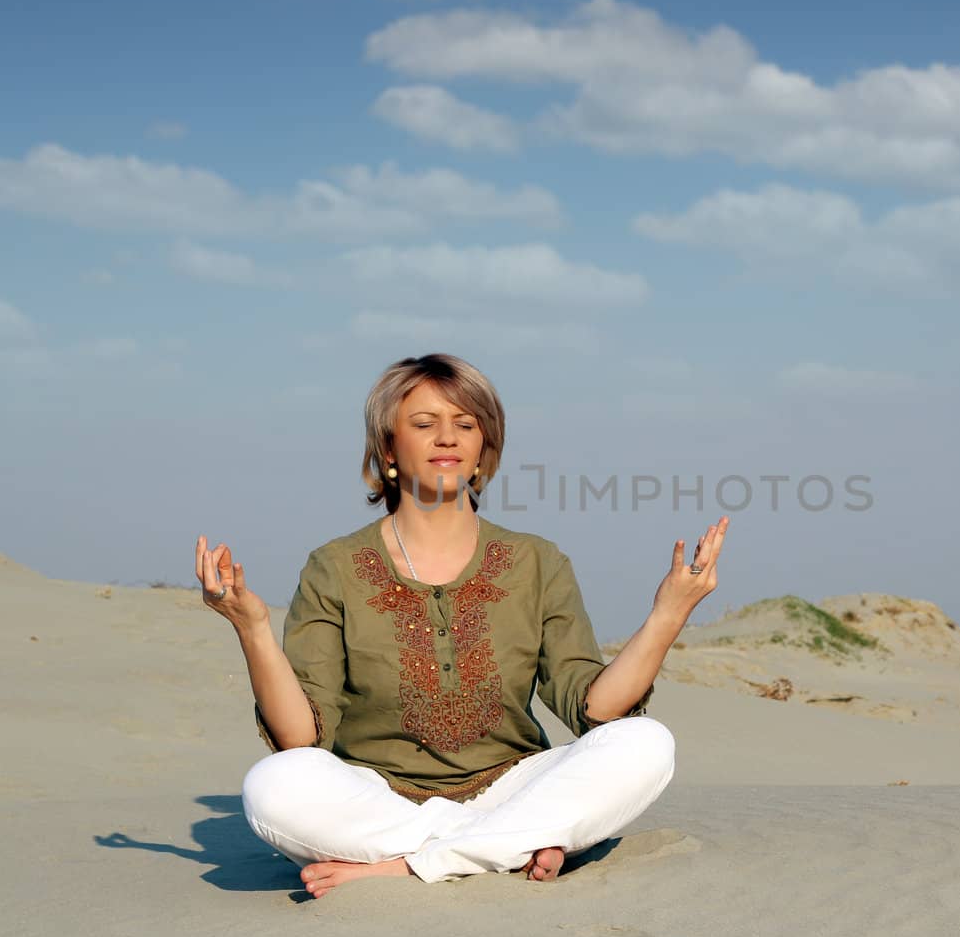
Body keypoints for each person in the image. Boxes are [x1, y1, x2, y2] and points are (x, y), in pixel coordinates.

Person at [195, 353, 728, 894]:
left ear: (483, 449)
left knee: (645, 743)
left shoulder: (536, 562)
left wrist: (670, 613)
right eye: (424, 424)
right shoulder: (334, 567)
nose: (446, 437)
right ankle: (503, 846)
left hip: (513, 785)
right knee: (274, 785)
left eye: (466, 425)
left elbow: (595, 709)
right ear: (387, 448)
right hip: (379, 796)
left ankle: (406, 864)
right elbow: (301, 736)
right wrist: (253, 628)